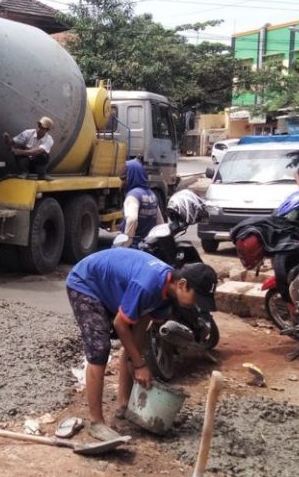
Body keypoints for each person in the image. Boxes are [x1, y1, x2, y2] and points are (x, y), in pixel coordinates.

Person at [66, 248, 217, 441]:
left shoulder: (167, 296)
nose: (196, 305)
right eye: (196, 299)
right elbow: (120, 324)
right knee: (99, 348)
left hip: (109, 288)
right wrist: (139, 365)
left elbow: (138, 331)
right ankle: (96, 423)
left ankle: (123, 405)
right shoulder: (149, 285)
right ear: (182, 284)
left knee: (134, 346)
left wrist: (138, 361)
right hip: (85, 283)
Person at [119, 159, 163, 247]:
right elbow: (160, 223)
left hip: (135, 246)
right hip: (148, 245)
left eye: (124, 178)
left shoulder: (133, 196)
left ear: (131, 176)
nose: (122, 182)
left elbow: (132, 219)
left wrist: (125, 245)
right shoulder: (152, 194)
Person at [4, 116, 54, 180]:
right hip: (25, 162)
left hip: (37, 166)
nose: (39, 129)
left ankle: (42, 175)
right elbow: (12, 143)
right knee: (18, 148)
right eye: (39, 126)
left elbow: (37, 151)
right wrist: (7, 139)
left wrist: (20, 152)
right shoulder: (28, 132)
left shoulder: (49, 140)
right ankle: (24, 172)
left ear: (47, 130)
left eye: (42, 128)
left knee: (44, 155)